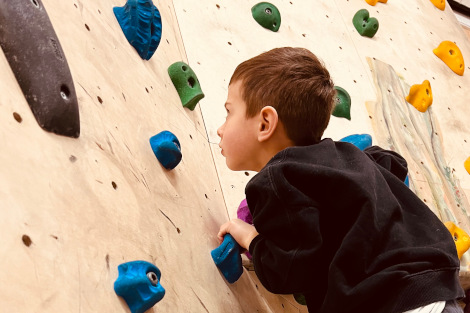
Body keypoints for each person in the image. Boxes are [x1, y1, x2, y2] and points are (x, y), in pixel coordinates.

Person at [215, 47, 464, 313]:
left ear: (265, 123)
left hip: (388, 300)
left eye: (229, 112)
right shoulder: (346, 159)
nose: (220, 128)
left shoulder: (276, 179)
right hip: (435, 286)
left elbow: (287, 271)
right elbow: (393, 162)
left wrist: (251, 237)